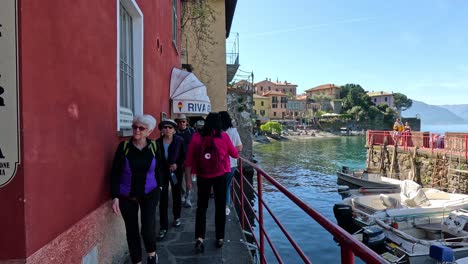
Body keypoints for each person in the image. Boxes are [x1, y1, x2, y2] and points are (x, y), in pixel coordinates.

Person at [184, 112, 239, 253]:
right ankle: (220, 238)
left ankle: (199, 238)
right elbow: (235, 154)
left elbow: (188, 160)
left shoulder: (196, 137)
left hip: (202, 176)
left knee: (201, 208)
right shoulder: (223, 136)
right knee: (220, 207)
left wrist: (188, 180)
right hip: (220, 175)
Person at [110, 114, 161, 264]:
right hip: (127, 195)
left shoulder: (154, 146)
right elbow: (115, 172)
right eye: (134, 127)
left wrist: (161, 186)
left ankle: (152, 255)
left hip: (150, 193)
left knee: (147, 229)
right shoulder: (124, 147)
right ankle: (137, 261)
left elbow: (160, 168)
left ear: (149, 131)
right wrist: (115, 196)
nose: (136, 130)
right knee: (132, 231)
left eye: (141, 128)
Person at [155, 119, 185, 240]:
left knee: (176, 194)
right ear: (162, 129)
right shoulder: (157, 142)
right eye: (165, 127)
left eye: (170, 127)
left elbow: (184, 156)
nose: (167, 129)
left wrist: (177, 164)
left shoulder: (179, 141)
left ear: (174, 129)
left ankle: (177, 217)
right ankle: (163, 226)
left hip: (175, 172)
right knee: (163, 198)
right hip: (162, 172)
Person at [219, 111, 243, 216]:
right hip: (232, 163)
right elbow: (239, 147)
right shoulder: (233, 131)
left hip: (218, 163)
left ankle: (220, 204)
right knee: (227, 185)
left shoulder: (216, 131)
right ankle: (226, 206)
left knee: (219, 185)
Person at [175, 114, 195, 208]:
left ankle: (188, 197)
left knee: (188, 179)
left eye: (183, 121)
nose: (182, 123)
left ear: (186, 122)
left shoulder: (192, 132)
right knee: (180, 179)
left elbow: (195, 145)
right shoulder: (174, 133)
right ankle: (183, 193)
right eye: (179, 122)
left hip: (189, 160)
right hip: (178, 160)